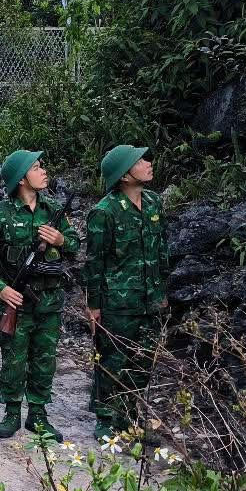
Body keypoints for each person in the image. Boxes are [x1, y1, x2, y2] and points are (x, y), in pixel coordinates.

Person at [0, 150, 79, 441]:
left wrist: (61, 240)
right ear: (22, 178)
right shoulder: (0, 215)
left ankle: (38, 415)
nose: (43, 171)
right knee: (14, 358)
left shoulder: (54, 210)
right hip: (18, 300)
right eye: (36, 168)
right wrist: (0, 288)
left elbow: (74, 247)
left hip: (50, 301)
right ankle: (12, 412)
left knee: (44, 359)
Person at [85, 144, 169, 442]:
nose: (147, 163)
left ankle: (129, 416)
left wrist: (162, 292)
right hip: (117, 302)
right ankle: (106, 419)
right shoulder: (104, 212)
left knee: (143, 360)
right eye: (140, 161)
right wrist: (94, 306)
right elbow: (94, 263)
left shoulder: (155, 203)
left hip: (151, 299)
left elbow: (162, 251)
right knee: (113, 359)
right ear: (123, 175)